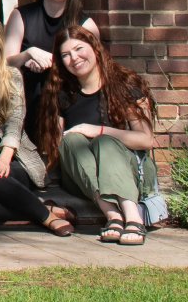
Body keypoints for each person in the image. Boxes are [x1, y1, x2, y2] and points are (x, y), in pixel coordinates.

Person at [41, 27, 160, 245]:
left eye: (79, 49)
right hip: (83, 174)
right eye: (66, 55)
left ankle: (132, 217)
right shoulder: (63, 93)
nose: (74, 58)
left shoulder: (124, 83)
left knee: (105, 143)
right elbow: (59, 145)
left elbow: (145, 140)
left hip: (131, 170)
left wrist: (99, 131)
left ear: (95, 48)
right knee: (71, 139)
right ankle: (113, 216)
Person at [0, 14, 70, 237]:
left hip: (12, 160)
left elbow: (15, 120)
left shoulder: (10, 75)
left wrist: (5, 157)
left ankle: (47, 219)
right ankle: (43, 209)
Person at [5, 0, 101, 136]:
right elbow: (5, 63)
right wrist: (27, 55)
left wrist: (52, 63)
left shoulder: (86, 25)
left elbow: (95, 68)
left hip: (69, 97)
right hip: (27, 97)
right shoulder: (21, 16)